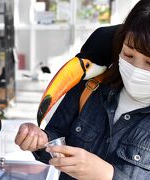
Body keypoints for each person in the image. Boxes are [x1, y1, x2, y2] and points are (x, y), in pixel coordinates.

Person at [14, 0, 150, 179]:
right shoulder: (91, 87)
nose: (135, 70)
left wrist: (108, 175)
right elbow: (57, 134)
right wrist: (40, 140)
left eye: (149, 62)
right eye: (128, 54)